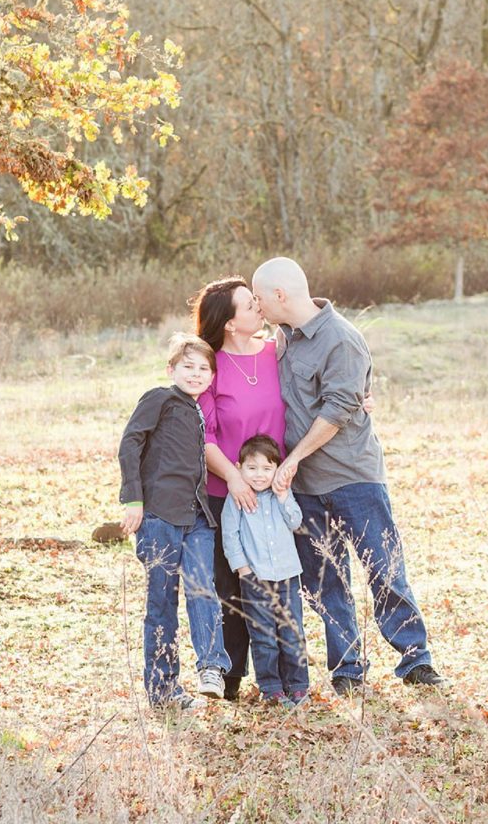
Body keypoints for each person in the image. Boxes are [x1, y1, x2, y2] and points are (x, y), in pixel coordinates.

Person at [251, 256, 445, 695]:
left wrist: (293, 458)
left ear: (280, 295)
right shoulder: (280, 343)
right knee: (323, 580)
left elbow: (337, 410)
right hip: (302, 487)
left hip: (352, 477)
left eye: (261, 297)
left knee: (384, 568)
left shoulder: (341, 340)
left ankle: (416, 658)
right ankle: (348, 670)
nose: (258, 306)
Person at [118, 332, 232, 711]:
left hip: (197, 516)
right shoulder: (160, 398)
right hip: (160, 516)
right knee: (162, 603)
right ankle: (163, 688)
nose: (196, 374)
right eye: (188, 367)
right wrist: (133, 498)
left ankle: (212, 667)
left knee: (204, 589)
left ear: (212, 377)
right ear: (171, 369)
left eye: (204, 369)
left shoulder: (199, 411)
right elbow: (130, 442)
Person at [193, 276, 285, 701]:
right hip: (224, 491)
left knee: (275, 580)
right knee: (229, 583)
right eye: (250, 304)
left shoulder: (277, 351)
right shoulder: (209, 366)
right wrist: (232, 477)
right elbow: (204, 434)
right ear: (230, 323)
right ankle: (229, 677)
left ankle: (282, 676)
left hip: (275, 491)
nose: (259, 307)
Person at [220, 434, 309, 707]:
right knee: (264, 635)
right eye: (252, 468)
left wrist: (283, 496)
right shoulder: (236, 499)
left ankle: (297, 685)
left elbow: (296, 522)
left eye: (267, 469)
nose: (259, 475)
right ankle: (271, 687)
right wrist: (243, 569)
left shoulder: (281, 495)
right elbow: (230, 535)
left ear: (277, 469)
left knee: (292, 631)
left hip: (287, 575)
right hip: (255, 577)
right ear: (239, 468)